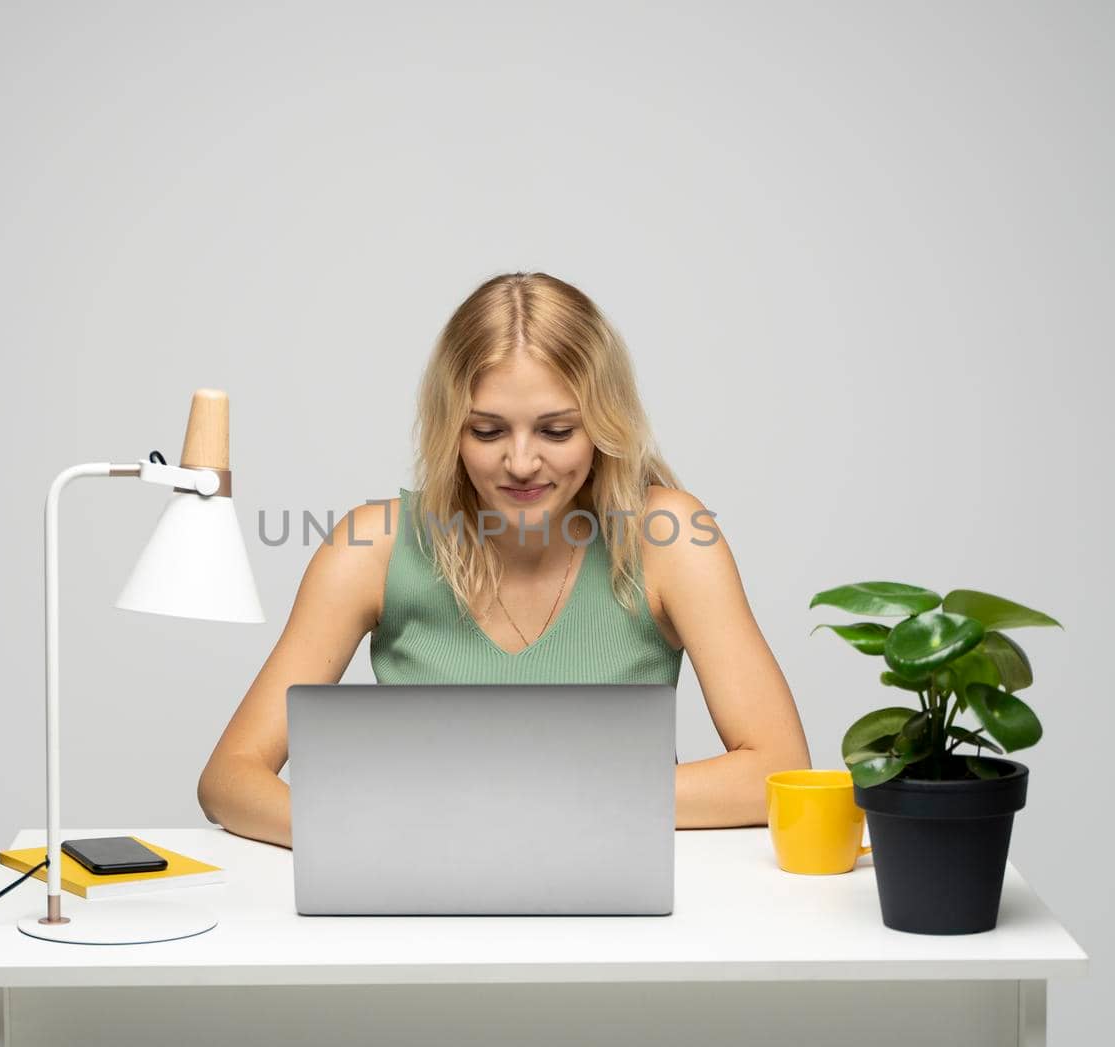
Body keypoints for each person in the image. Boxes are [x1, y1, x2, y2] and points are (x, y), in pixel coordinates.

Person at [198, 272, 810, 848]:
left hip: (611, 894)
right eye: (488, 432)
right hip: (423, 893)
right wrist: (376, 835)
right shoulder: (374, 547)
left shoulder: (667, 536)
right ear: (450, 430)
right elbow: (229, 778)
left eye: (557, 431)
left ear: (603, 424)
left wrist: (523, 807)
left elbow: (778, 770)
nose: (521, 463)